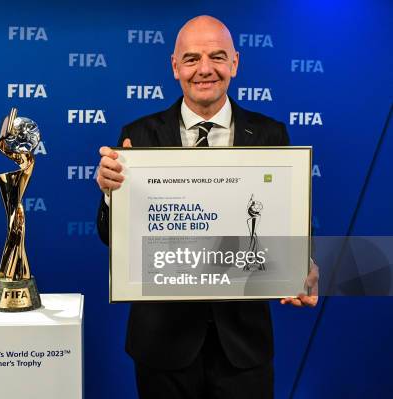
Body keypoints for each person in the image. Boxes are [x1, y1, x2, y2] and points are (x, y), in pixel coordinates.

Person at [96, 15, 318, 399]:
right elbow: (110, 237)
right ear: (175, 67)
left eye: (217, 57)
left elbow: (289, 223)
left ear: (234, 62)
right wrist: (110, 194)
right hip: (162, 344)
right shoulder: (137, 137)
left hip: (243, 344)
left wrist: (303, 264)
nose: (205, 69)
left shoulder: (270, 134)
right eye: (192, 58)